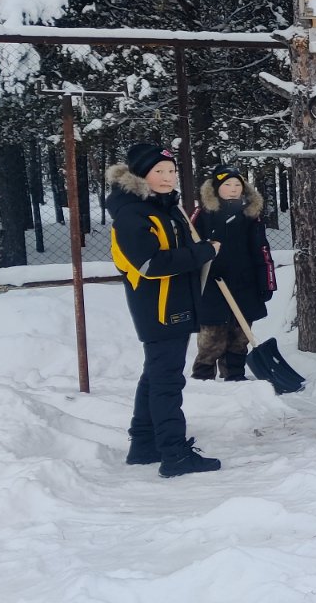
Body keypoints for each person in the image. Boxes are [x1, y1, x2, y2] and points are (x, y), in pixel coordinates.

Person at [106, 144, 223, 478]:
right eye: (159, 171)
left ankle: (144, 445)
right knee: (167, 381)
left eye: (171, 172)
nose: (167, 178)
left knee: (156, 375)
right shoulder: (133, 214)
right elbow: (149, 264)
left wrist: (199, 247)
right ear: (141, 175)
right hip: (158, 307)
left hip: (175, 303)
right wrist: (201, 254)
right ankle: (174, 454)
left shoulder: (164, 208)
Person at [190, 164, 276, 381]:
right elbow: (190, 248)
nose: (233, 188)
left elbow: (261, 249)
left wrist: (267, 282)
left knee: (240, 335)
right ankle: (202, 378)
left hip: (244, 284)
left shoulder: (250, 215)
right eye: (227, 184)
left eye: (237, 184)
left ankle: (235, 376)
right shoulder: (203, 215)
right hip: (211, 284)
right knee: (212, 336)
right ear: (216, 188)